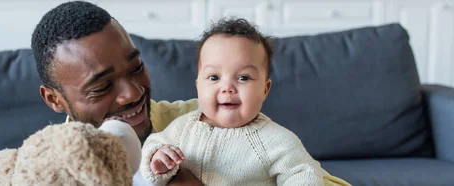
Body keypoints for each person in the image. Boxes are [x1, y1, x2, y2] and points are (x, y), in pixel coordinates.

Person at [139, 18, 352, 186]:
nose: (227, 87)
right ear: (198, 86)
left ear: (265, 89)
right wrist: (157, 159)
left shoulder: (275, 141)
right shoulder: (182, 128)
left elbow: (305, 175)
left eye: (243, 78)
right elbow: (153, 145)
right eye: (214, 77)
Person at [31, 1, 200, 185]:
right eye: (102, 87)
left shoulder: (207, 121)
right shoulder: (50, 174)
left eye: (136, 68)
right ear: (54, 99)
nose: (133, 94)